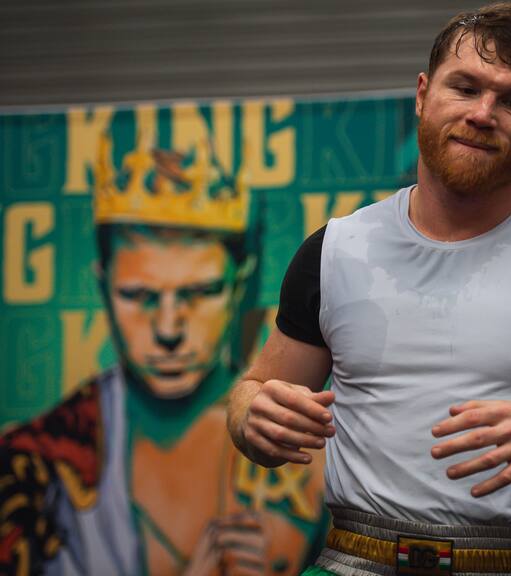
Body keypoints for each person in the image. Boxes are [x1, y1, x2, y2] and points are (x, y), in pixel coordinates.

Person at [227, 3, 511, 575]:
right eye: (465, 87)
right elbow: (255, 391)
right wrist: (251, 415)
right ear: (423, 94)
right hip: (353, 559)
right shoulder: (335, 249)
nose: (482, 114)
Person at [0, 136, 327, 575]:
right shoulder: (36, 464)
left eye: (199, 293)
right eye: (140, 296)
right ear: (103, 288)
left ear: (240, 286)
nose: (169, 329)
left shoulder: (307, 453)